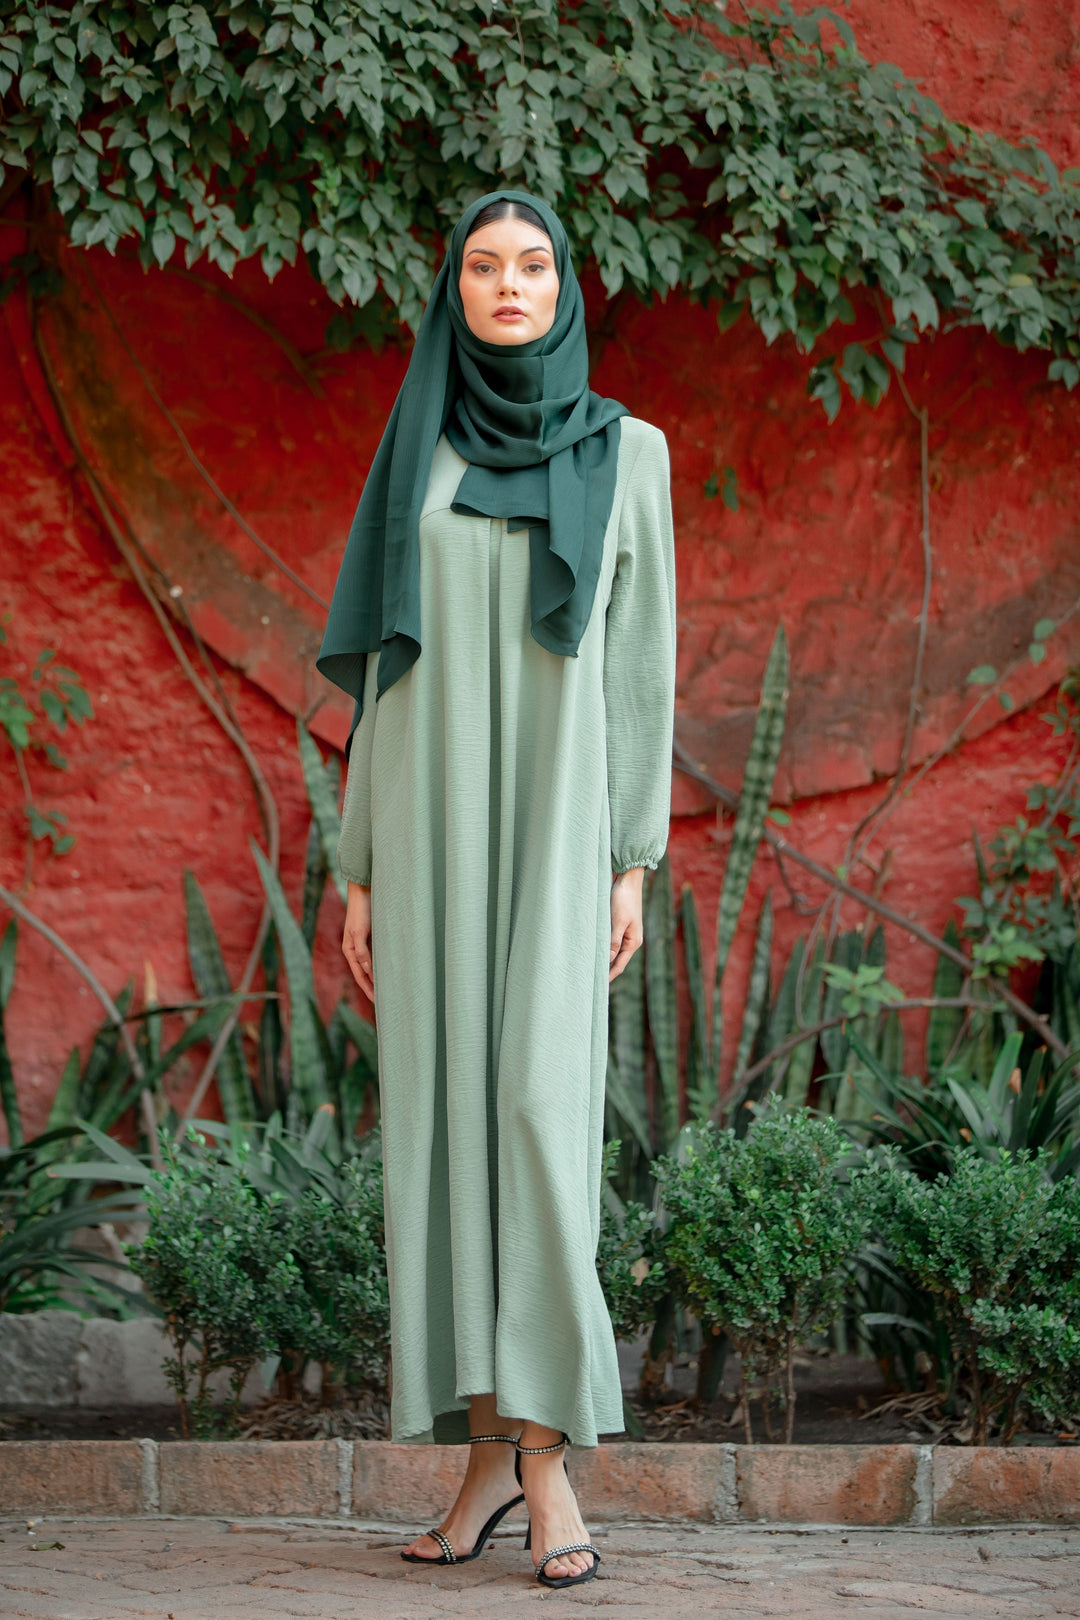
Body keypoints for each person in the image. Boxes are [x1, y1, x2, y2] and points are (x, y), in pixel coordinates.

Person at [316, 187, 676, 1590]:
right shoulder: (419, 450)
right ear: (455, 288)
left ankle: (547, 1465)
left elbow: (642, 672)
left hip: (560, 831)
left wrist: (630, 855)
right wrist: (355, 869)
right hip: (425, 832)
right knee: (447, 1133)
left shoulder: (629, 453)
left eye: (532, 266)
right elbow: (383, 681)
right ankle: (483, 1463)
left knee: (534, 1110)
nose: (508, 287)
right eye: (484, 266)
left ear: (564, 286)